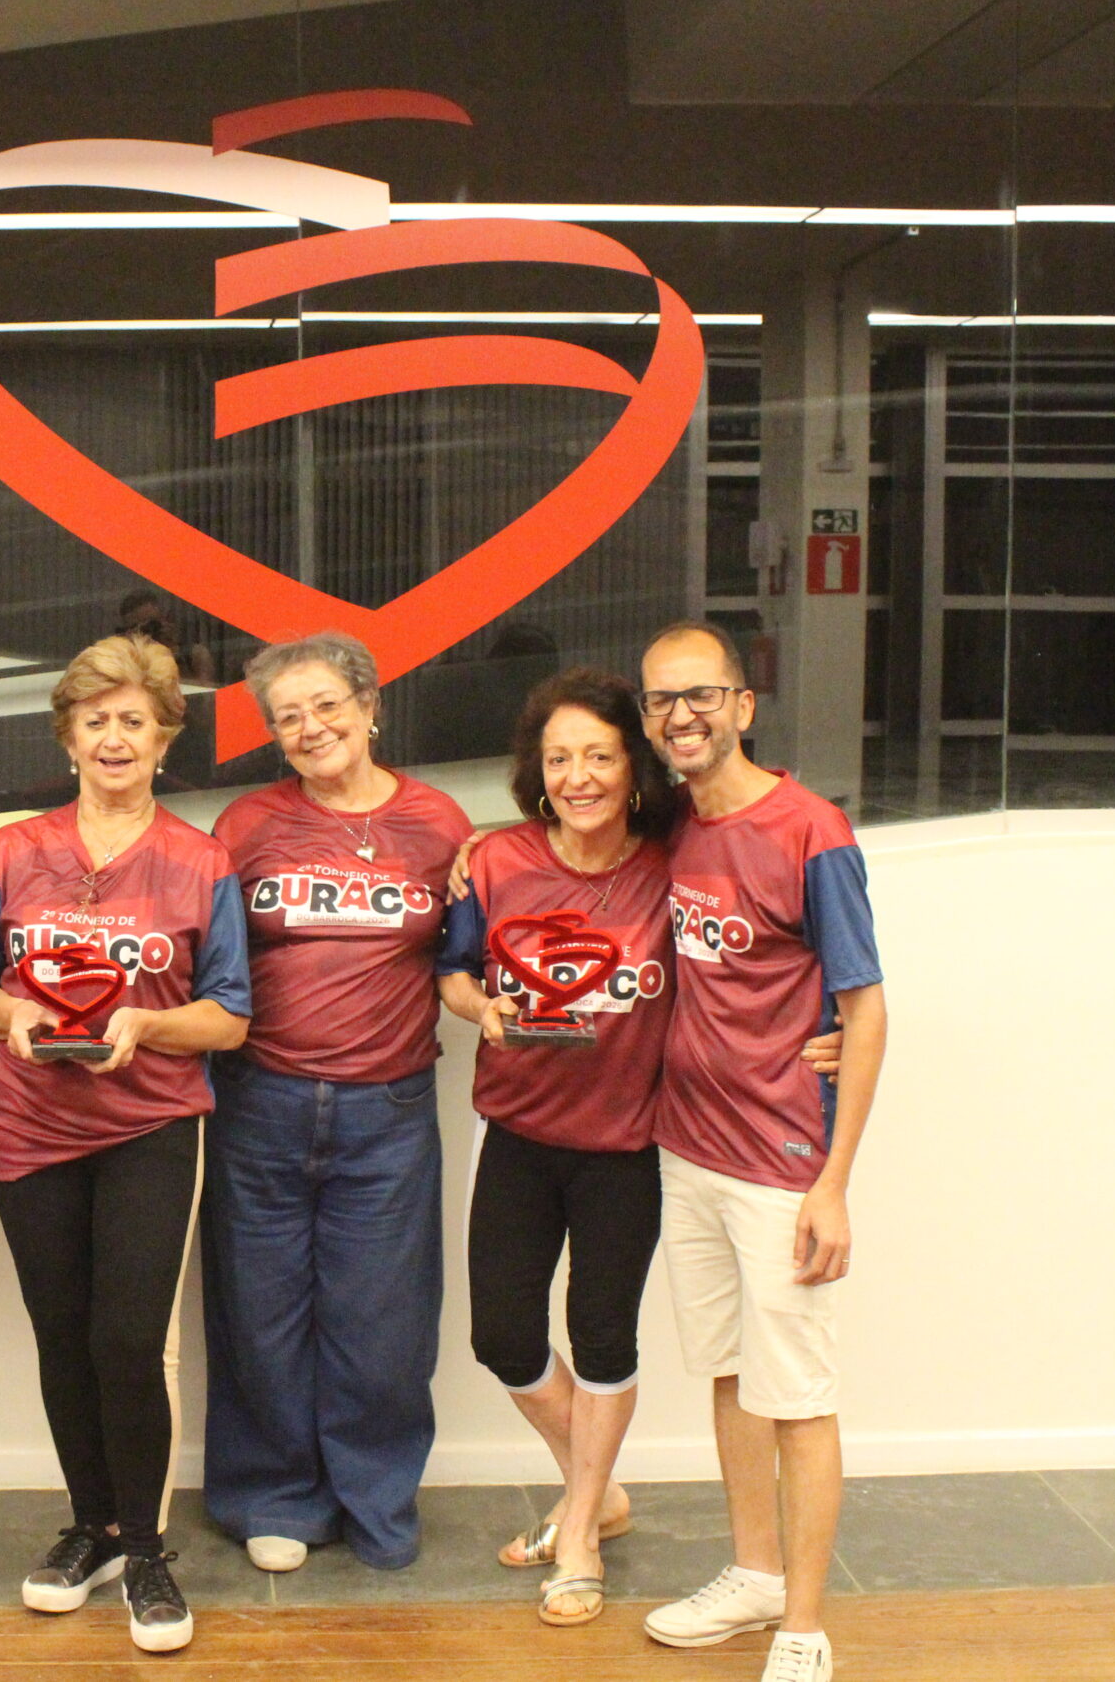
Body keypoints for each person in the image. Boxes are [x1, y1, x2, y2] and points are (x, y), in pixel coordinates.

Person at [0, 633, 252, 1655]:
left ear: (164, 740)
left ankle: (147, 1548)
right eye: (95, 720)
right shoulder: (9, 851)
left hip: (149, 1125)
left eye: (135, 720)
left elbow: (229, 1018)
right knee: (63, 1335)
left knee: (127, 1340)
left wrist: (147, 1024)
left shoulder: (200, 861)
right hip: (29, 1123)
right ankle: (90, 1528)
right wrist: (12, 1015)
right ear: (67, 736)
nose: (114, 737)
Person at [633, 620, 887, 1682]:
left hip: (783, 1167)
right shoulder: (673, 826)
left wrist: (834, 1184)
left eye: (700, 694)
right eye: (661, 700)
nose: (680, 715)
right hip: (687, 1151)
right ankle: (753, 1575)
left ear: (742, 704)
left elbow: (865, 1010)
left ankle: (805, 1627)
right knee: (732, 1375)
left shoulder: (811, 829)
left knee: (800, 1398)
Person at [199, 633, 473, 1573]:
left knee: (383, 1322)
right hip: (261, 1103)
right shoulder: (246, 823)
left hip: (388, 1113)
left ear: (369, 707)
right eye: (289, 717)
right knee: (260, 1313)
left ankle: (375, 1496)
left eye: (326, 705)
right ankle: (274, 1495)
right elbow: (199, 942)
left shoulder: (439, 822)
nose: (311, 727)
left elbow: (474, 945)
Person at [435, 667, 679, 1628]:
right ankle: (600, 1489)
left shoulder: (673, 863)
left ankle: (580, 1527)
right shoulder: (496, 860)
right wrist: (481, 1009)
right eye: (559, 758)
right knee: (502, 1335)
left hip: (627, 1143)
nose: (578, 776)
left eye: (600, 756)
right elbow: (453, 970)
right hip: (518, 1131)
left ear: (634, 767)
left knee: (603, 1333)